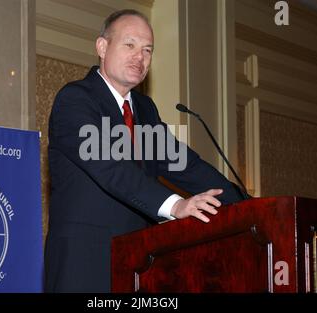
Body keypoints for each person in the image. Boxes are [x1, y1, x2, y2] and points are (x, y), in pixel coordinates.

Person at [45, 9, 245, 293]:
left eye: (147, 50)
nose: (140, 57)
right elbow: (109, 166)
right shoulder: (75, 100)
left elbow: (185, 165)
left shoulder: (145, 110)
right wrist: (176, 205)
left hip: (140, 263)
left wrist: (247, 206)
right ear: (102, 47)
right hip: (85, 263)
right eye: (130, 45)